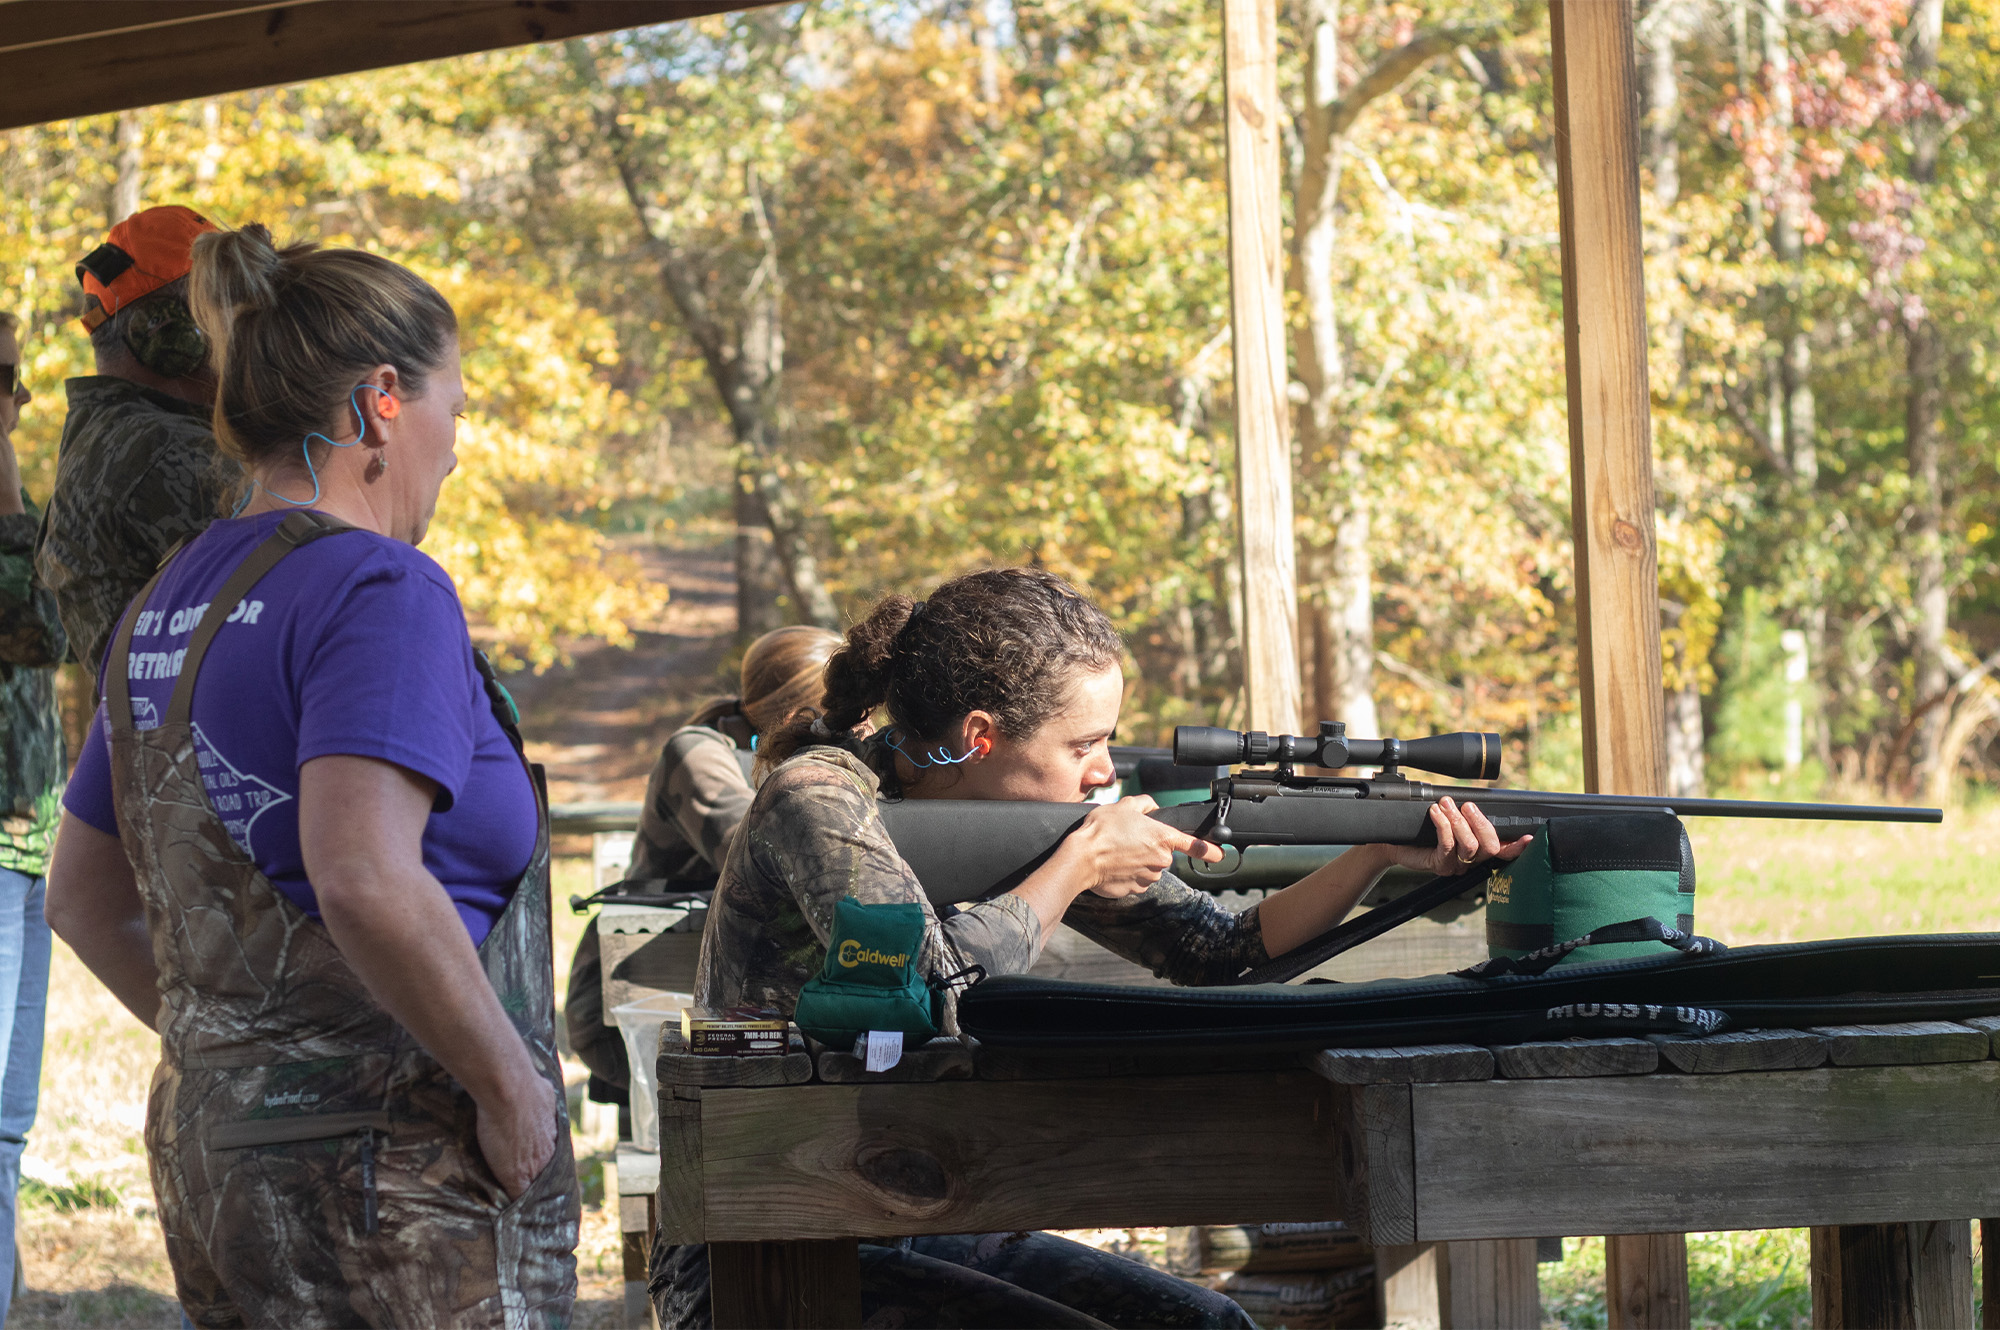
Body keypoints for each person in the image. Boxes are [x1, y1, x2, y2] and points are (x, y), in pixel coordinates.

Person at [660, 567, 1530, 1328]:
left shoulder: (1013, 820)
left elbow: (1219, 952)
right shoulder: (817, 796)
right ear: (978, 737)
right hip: (765, 1232)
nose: (1103, 772)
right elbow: (930, 987)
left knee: (1204, 1321)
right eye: (1083, 745)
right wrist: (1079, 861)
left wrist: (1374, 853)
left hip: (908, 1201)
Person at [43, 223, 577, 1327]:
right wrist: (511, 1092)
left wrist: (252, 1061)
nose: (459, 446)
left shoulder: (167, 597)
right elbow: (366, 876)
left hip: (220, 1163)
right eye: (455, 410)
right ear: (383, 399)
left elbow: (81, 897)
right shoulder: (378, 588)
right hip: (392, 1182)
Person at [565, 624, 840, 1105]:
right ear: (803, 712)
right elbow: (760, 851)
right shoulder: (696, 754)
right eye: (851, 712)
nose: (864, 728)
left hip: (737, 1011)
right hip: (645, 1005)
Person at [35, 205, 242, 676]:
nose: (243, 334)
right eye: (226, 310)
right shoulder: (165, 450)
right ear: (168, 334)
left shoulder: (112, 435)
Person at [0, 311, 58, 1324]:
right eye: (2, 379)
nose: (15, 401)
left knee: (6, 1130)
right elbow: (35, 621)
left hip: (19, 843)